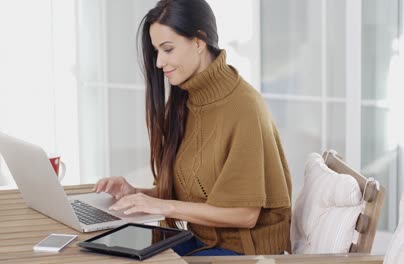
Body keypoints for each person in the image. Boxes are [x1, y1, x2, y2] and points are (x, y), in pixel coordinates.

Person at [93, 0, 292, 256]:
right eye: (156, 51)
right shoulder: (186, 100)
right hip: (202, 241)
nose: (158, 63)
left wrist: (164, 207)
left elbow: (245, 214)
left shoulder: (245, 108)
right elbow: (197, 195)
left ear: (198, 42)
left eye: (167, 49)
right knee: (104, 252)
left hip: (246, 253)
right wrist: (136, 194)